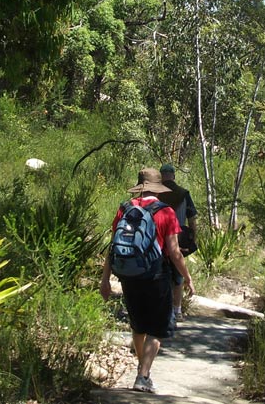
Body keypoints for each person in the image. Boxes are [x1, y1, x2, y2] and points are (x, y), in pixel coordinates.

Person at [100, 167, 195, 394]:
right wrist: (187, 277)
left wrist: (104, 281)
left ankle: (141, 370)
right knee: (156, 328)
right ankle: (143, 375)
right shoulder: (165, 212)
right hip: (155, 275)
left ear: (140, 187)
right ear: (158, 189)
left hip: (128, 276)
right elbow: (174, 252)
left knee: (138, 325)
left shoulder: (125, 208)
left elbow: (112, 247)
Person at [158, 163, 198, 322]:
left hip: (158, 237)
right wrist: (192, 236)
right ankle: (177, 310)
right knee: (178, 274)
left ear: (162, 176)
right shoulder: (183, 193)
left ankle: (163, 309)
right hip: (178, 237)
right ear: (173, 176)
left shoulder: (156, 193)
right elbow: (192, 217)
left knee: (160, 273)